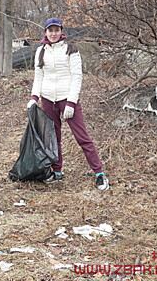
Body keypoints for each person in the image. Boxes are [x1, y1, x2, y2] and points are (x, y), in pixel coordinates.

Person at [27, 17, 109, 191]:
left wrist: (71, 102)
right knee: (53, 138)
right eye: (50, 30)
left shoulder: (71, 50)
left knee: (82, 137)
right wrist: (34, 97)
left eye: (56, 30)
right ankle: (56, 171)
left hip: (67, 98)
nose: (53, 33)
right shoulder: (41, 51)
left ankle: (99, 173)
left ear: (61, 31)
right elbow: (39, 76)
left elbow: (77, 76)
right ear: (45, 33)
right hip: (48, 100)